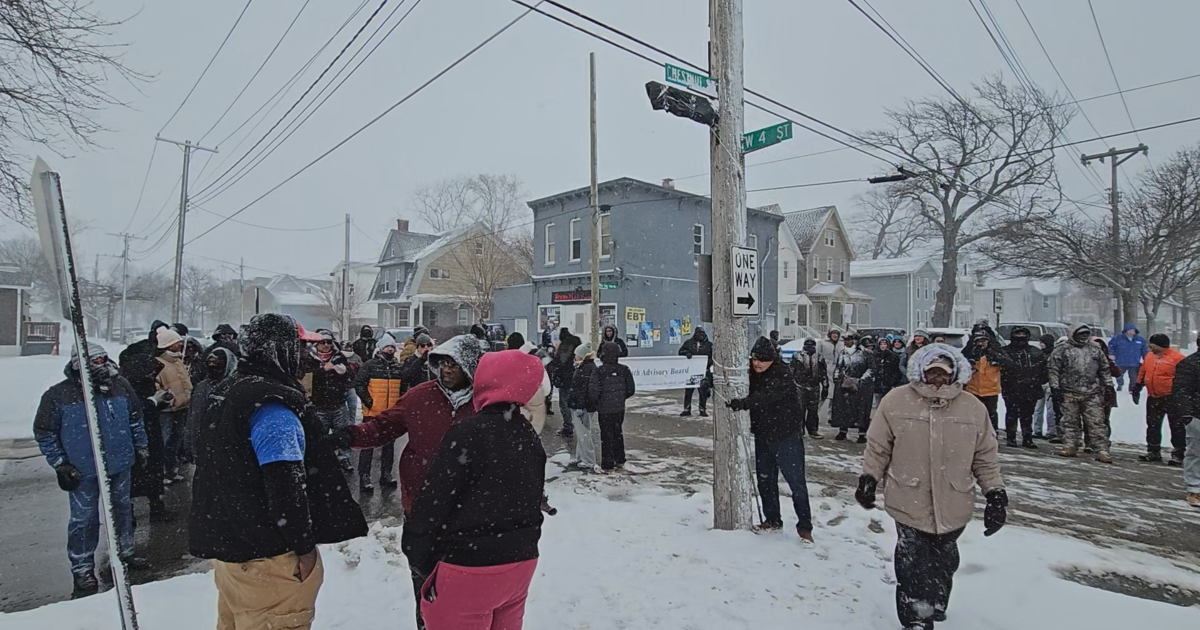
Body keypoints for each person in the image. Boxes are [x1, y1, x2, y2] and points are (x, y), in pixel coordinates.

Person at [190, 313, 367, 630]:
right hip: (269, 563)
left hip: (234, 555)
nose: (306, 355)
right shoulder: (273, 407)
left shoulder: (229, 390)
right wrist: (304, 547)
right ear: (279, 350)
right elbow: (286, 486)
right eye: (300, 347)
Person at [333, 334, 485, 630]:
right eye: (442, 363)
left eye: (454, 364)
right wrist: (349, 435)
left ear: (471, 366)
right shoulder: (420, 396)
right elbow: (383, 426)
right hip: (421, 510)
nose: (446, 369)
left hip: (470, 514)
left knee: (465, 590)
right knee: (424, 583)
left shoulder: (486, 402)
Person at [856, 344, 1006, 630]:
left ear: (955, 374)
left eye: (944, 373)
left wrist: (995, 494)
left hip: (954, 500)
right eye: (932, 372)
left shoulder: (972, 408)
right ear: (920, 372)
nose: (937, 378)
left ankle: (936, 600)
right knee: (913, 561)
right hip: (908, 497)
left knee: (944, 559)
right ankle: (916, 615)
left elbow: (985, 457)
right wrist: (869, 478)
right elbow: (878, 447)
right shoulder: (896, 401)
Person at [403, 350, 548, 630]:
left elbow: (433, 502)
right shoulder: (527, 434)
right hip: (520, 562)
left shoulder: (467, 433)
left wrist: (417, 551)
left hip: (468, 566)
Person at [34, 344, 150, 597]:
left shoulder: (121, 386)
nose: (102, 364)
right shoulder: (58, 395)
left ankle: (124, 552)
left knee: (122, 509)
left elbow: (135, 418)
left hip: (119, 463)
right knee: (84, 519)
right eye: (95, 360)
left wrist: (141, 447)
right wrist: (60, 463)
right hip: (82, 468)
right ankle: (82, 567)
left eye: (104, 359)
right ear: (80, 364)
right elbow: (44, 431)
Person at [729, 337, 814, 542]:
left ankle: (805, 528)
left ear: (772, 360)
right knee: (765, 480)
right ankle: (772, 519)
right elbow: (730, 376)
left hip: (787, 436)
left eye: (763, 360)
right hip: (763, 434)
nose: (757, 364)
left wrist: (744, 403)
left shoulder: (782, 374)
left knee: (796, 483)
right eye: (755, 359)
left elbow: (767, 396)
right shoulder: (752, 373)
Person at [119, 322, 173, 521]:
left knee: (154, 470)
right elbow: (133, 411)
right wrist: (152, 402)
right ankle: (129, 513)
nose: (153, 375)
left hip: (151, 431)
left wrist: (160, 401)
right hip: (138, 436)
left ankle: (156, 506)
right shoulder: (127, 386)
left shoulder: (142, 380)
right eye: (151, 372)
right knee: (138, 473)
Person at [1048, 324, 1114, 463]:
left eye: (1086, 334)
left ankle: (1102, 450)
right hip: (1069, 392)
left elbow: (1104, 369)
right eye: (1081, 334)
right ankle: (1070, 446)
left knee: (1096, 422)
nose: (1084, 337)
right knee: (1069, 421)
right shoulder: (1062, 350)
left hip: (1091, 392)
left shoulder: (1095, 350)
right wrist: (1055, 388)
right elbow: (1054, 370)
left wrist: (1109, 386)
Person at [353, 334, 405, 490]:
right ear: (381, 348)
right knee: (367, 446)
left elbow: (402, 388)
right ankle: (364, 477)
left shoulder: (397, 367)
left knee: (389, 447)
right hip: (372, 413)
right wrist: (369, 402)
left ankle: (386, 474)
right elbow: (359, 384)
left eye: (392, 347)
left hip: (390, 415)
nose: (390, 349)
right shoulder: (370, 365)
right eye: (387, 346)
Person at [303, 330, 356, 475]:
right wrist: (324, 370)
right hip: (319, 405)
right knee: (319, 436)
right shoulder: (310, 359)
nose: (326, 345)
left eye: (329, 342)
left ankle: (344, 458)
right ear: (316, 344)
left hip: (338, 403)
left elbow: (351, 377)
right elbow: (306, 378)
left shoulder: (339, 357)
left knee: (343, 434)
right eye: (322, 342)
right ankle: (320, 461)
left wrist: (343, 371)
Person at [1133, 333, 1187, 465]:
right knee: (1153, 425)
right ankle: (1153, 451)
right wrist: (1138, 386)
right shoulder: (1149, 357)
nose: (1150, 348)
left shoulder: (1178, 359)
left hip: (1171, 397)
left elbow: (1185, 378)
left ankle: (1178, 453)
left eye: (1153, 345)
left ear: (1162, 346)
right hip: (1153, 396)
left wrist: (1181, 394)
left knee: (1176, 426)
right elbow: (1143, 371)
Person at [154, 327, 193, 483]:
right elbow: (157, 386)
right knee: (164, 440)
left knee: (176, 441)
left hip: (182, 408)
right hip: (167, 410)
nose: (180, 344)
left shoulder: (178, 361)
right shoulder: (158, 363)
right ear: (168, 344)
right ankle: (162, 472)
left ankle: (172, 470)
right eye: (177, 342)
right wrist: (170, 400)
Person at [999, 327, 1047, 448]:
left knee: (1027, 415)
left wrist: (1037, 380)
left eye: (1023, 335)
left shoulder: (1035, 352)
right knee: (1012, 413)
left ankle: (1027, 438)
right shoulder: (1005, 352)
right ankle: (1011, 437)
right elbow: (1000, 370)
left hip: (1030, 388)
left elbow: (1043, 370)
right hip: (1011, 388)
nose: (1020, 337)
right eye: (1018, 334)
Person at [592, 341, 636, 473]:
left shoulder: (599, 371)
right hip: (619, 408)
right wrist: (620, 398)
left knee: (606, 436)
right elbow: (631, 389)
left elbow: (594, 391)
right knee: (617, 432)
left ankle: (607, 464)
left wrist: (598, 402)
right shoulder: (624, 369)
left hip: (604, 408)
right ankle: (620, 459)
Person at [185, 347, 237, 456]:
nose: (212, 366)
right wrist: (189, 444)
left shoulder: (234, 386)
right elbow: (193, 417)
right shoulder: (201, 387)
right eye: (210, 362)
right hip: (201, 440)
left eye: (216, 362)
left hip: (224, 444)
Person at [1168, 335, 1200, 507]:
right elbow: (1181, 390)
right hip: (1196, 415)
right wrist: (1187, 414)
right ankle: (1195, 489)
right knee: (1196, 452)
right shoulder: (1190, 364)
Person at [963, 330, 1014, 434]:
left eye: (983, 341)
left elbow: (1009, 364)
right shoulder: (971, 352)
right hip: (974, 389)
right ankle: (974, 432)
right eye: (978, 341)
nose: (981, 343)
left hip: (991, 390)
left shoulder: (995, 352)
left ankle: (992, 433)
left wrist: (994, 356)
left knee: (991, 413)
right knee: (974, 413)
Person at [830, 333, 871, 442]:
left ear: (856, 341)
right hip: (845, 383)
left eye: (849, 340)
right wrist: (837, 378)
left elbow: (871, 369)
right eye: (845, 340)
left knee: (860, 410)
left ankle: (862, 433)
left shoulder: (865, 353)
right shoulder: (843, 353)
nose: (846, 342)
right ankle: (843, 430)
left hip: (860, 386)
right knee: (844, 408)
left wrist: (861, 380)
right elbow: (838, 367)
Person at [567, 343, 599, 471]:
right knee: (581, 433)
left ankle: (589, 460)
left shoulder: (586, 369)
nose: (575, 356)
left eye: (577, 354)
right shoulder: (585, 367)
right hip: (580, 405)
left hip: (582, 407)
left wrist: (580, 406)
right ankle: (581, 457)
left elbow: (583, 390)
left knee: (584, 433)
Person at [790, 338, 827, 439]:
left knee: (813, 410)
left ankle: (813, 430)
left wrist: (825, 386)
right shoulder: (797, 355)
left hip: (814, 386)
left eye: (812, 345)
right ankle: (799, 430)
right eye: (808, 344)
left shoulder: (819, 357)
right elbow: (791, 371)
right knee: (800, 409)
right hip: (800, 386)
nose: (810, 346)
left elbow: (823, 373)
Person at [679, 327, 714, 417]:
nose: (700, 335)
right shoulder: (689, 343)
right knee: (689, 391)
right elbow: (680, 352)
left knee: (703, 391)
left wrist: (708, 363)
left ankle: (702, 409)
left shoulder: (709, 345)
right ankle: (687, 409)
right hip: (691, 371)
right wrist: (687, 353)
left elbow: (713, 356)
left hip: (704, 371)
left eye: (702, 333)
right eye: (698, 333)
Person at [1032, 333, 1059, 440]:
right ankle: (1037, 430)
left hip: (1049, 383)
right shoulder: (1041, 354)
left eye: (1042, 342)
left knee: (1050, 409)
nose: (1041, 344)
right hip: (1041, 383)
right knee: (1038, 408)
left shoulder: (1052, 355)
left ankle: (1050, 431)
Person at [1109, 323, 1148, 391]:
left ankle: (1132, 388)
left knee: (1133, 377)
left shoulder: (1140, 339)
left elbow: (1144, 350)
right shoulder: (1117, 339)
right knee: (1119, 375)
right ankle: (1120, 384)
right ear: (1125, 331)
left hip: (1134, 362)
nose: (1131, 332)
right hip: (1121, 361)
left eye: (1132, 330)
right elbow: (1111, 347)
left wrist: (1146, 359)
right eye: (1129, 330)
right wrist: (1112, 354)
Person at [817, 329, 844, 401]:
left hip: (838, 366)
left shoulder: (841, 343)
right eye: (833, 333)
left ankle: (835, 397)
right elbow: (818, 354)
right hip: (826, 365)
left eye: (837, 333)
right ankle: (827, 398)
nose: (835, 335)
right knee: (826, 383)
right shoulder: (822, 343)